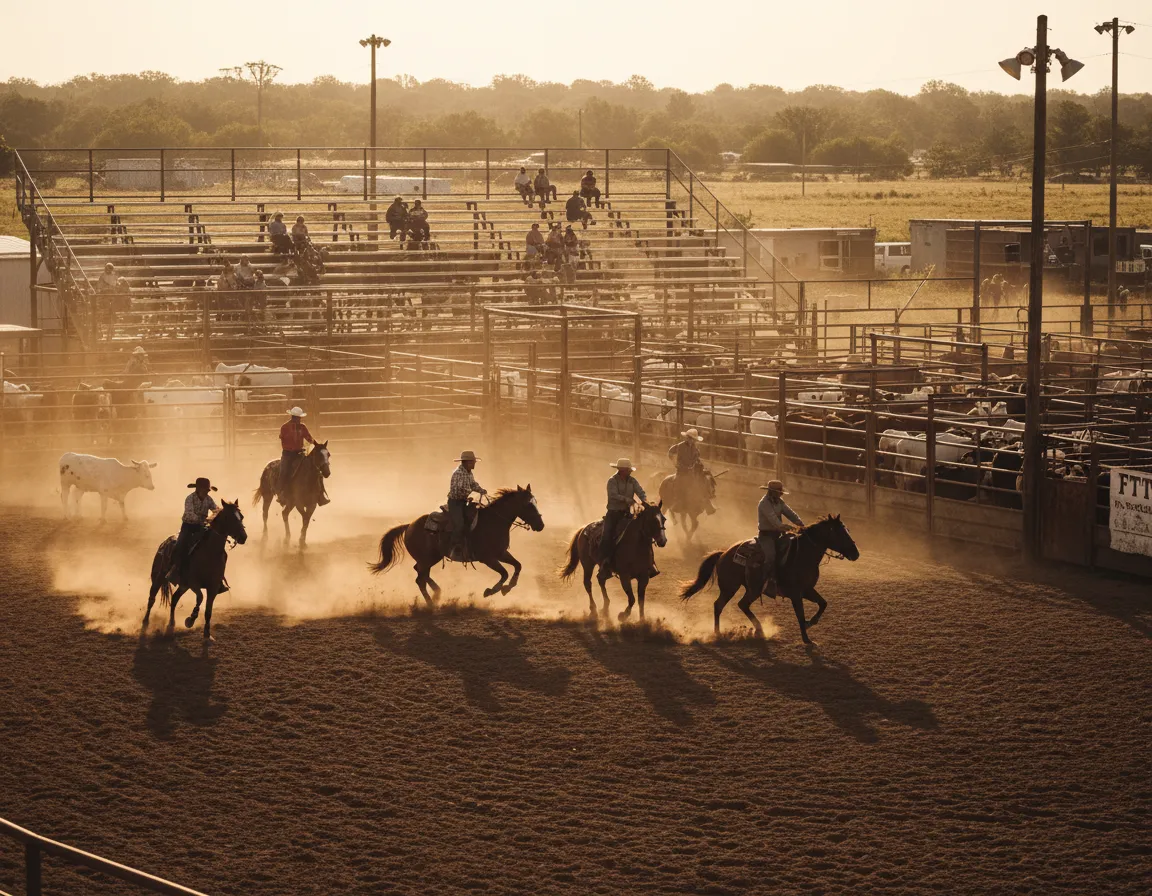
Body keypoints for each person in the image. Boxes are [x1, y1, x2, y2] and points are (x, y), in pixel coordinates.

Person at [598, 457, 656, 576]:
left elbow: (640, 491)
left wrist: (645, 500)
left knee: (643, 533)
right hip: (613, 513)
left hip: (626, 513)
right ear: (621, 470)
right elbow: (613, 495)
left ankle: (650, 563)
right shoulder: (612, 481)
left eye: (629, 470)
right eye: (628, 470)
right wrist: (628, 500)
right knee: (607, 536)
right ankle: (605, 563)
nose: (630, 472)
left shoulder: (632, 481)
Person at [749, 479, 804, 599]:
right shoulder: (764, 504)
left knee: (793, 548)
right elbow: (775, 522)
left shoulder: (779, 502)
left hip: (778, 535)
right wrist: (790, 527)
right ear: (772, 492)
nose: (781, 494)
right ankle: (767, 581)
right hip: (766, 536)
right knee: (770, 556)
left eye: (780, 492)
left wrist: (801, 525)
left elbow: (791, 514)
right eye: (779, 492)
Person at [168, 477, 221, 585]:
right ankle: (174, 571)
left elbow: (215, 509)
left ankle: (217, 578)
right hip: (188, 527)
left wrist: (220, 514)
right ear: (198, 489)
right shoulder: (189, 498)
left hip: (202, 527)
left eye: (207, 490)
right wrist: (205, 520)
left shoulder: (208, 499)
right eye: (205, 490)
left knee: (215, 546)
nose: (207, 492)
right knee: (180, 546)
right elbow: (189, 514)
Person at [278, 406, 329, 506]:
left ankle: (320, 495)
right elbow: (283, 441)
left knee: (316, 470)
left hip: (299, 454)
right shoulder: (285, 427)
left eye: (298, 418)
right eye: (296, 417)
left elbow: (309, 438)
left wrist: (316, 444)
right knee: (284, 471)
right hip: (288, 455)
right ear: (292, 417)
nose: (297, 419)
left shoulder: (302, 427)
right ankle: (281, 494)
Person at [448, 449, 487, 560]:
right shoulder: (458, 473)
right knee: (459, 524)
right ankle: (454, 548)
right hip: (455, 503)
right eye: (473, 461)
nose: (474, 463)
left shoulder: (468, 472)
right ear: (467, 462)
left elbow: (473, 484)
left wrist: (481, 490)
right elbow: (456, 490)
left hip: (463, 502)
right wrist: (467, 494)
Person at [667, 428, 715, 514]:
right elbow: (670, 453)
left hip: (691, 472)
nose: (692, 441)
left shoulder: (695, 449)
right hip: (681, 471)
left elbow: (696, 459)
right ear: (687, 438)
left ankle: (708, 504)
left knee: (702, 483)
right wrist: (675, 463)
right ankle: (677, 503)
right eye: (690, 438)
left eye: (693, 440)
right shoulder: (679, 446)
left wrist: (699, 465)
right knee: (681, 485)